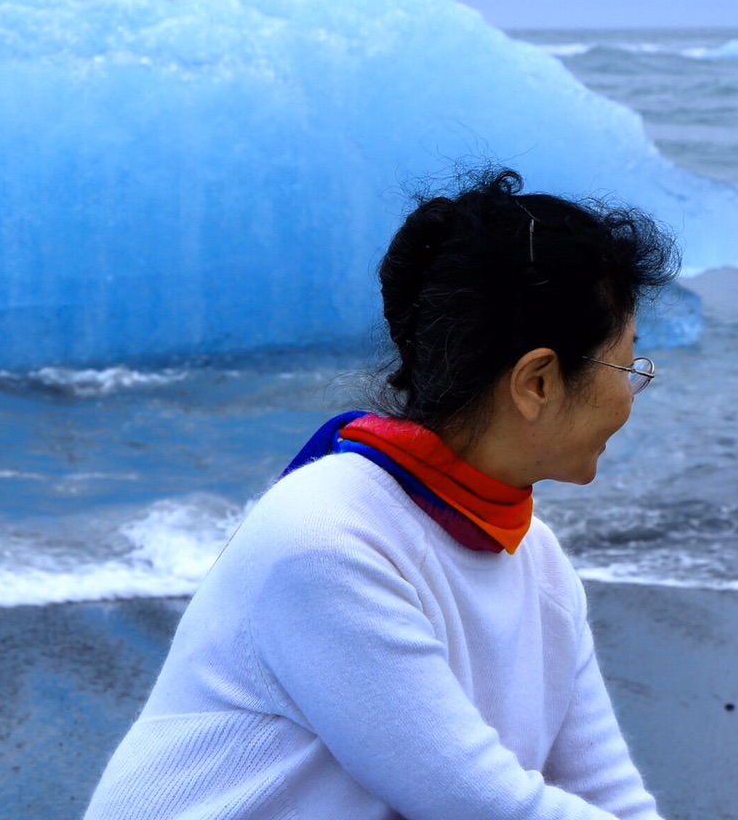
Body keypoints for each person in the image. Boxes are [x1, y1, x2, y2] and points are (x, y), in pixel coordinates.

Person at [85, 169, 678, 820]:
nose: (632, 392)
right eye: (626, 365)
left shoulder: (537, 562)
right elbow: (477, 803)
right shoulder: (327, 539)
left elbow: (610, 797)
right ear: (536, 382)